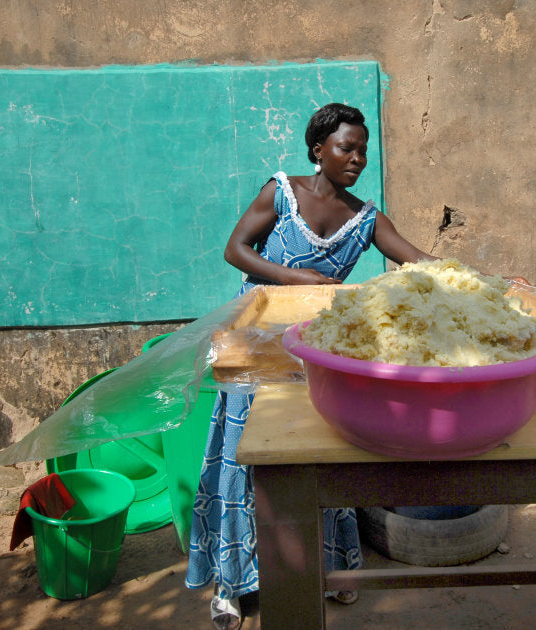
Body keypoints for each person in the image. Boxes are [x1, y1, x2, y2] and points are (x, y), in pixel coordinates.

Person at [184, 103, 436, 630]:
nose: (358, 158)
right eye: (347, 147)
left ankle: (332, 567)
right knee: (243, 455)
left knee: (314, 453)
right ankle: (233, 584)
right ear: (318, 150)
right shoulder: (281, 192)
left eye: (364, 150)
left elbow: (421, 263)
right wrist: (294, 280)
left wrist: (488, 280)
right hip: (255, 343)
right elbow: (236, 250)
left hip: (314, 352)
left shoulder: (364, 218)